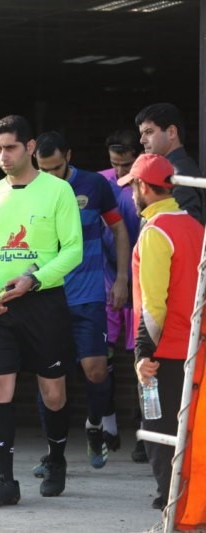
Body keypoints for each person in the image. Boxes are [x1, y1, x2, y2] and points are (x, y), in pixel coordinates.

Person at [0, 115, 82, 507]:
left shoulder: (58, 191)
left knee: (53, 393)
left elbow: (73, 250)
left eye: (11, 147)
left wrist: (34, 280)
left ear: (30, 147)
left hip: (44, 303)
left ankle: (56, 459)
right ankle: (5, 481)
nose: (4, 155)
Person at [34, 131, 130, 470]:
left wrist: (121, 278)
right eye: (43, 169)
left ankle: (94, 425)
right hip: (47, 297)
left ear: (69, 157)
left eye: (56, 168)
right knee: (49, 378)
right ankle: (53, 455)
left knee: (96, 369)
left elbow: (118, 229)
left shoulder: (94, 185)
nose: (51, 175)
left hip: (89, 295)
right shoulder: (30, 189)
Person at [118, 153, 203, 512]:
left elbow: (154, 305)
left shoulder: (155, 231)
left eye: (132, 186)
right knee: (190, 434)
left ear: (142, 186)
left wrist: (142, 353)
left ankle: (173, 510)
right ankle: (188, 508)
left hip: (164, 353)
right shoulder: (196, 227)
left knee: (160, 436)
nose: (131, 195)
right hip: (195, 350)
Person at [100, 129, 146, 462]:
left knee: (143, 360)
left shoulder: (149, 185)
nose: (119, 172)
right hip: (106, 278)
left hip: (142, 281)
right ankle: (108, 425)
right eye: (114, 164)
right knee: (102, 355)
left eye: (125, 165)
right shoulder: (101, 183)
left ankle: (145, 430)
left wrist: (129, 280)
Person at [135, 102, 205, 224]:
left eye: (149, 132)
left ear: (171, 132)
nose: (142, 140)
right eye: (142, 134)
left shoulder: (179, 175)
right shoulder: (177, 169)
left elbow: (186, 228)